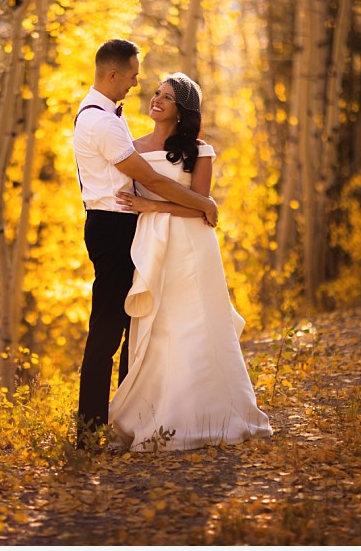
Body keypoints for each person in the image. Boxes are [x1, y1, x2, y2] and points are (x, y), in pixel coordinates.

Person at [108, 72, 272, 452]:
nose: (156, 100)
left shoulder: (199, 150)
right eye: (156, 93)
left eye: (166, 98)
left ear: (182, 111)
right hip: (151, 243)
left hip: (192, 246)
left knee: (195, 324)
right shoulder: (131, 148)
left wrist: (152, 205)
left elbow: (201, 209)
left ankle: (212, 414)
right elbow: (201, 206)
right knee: (158, 325)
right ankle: (157, 415)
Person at [72, 40, 219, 449]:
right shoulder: (101, 122)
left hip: (130, 227)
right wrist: (204, 204)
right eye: (135, 76)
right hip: (113, 227)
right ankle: (89, 432)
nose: (138, 84)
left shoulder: (109, 119)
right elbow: (151, 180)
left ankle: (129, 417)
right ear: (113, 74)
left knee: (133, 327)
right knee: (107, 330)